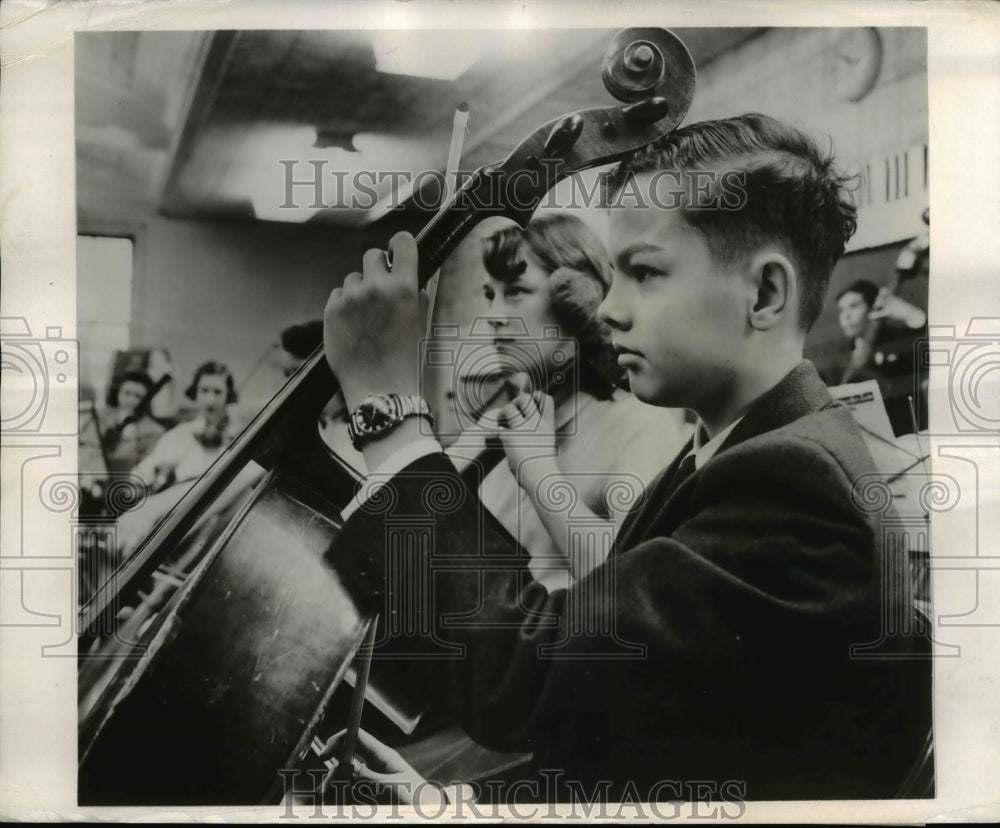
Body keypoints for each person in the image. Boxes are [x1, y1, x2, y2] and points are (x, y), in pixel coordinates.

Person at [320, 113, 931, 802]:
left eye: (643, 273)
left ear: (763, 294)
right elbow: (629, 719)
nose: (606, 310)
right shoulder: (731, 450)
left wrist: (390, 416)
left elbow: (535, 679)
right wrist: (457, 803)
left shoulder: (797, 485)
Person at [464, 214, 688, 586]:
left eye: (516, 291)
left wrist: (540, 474)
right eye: (490, 296)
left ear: (575, 302)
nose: (494, 317)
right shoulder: (497, 424)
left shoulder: (640, 428)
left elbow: (633, 585)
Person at [835, 278, 928, 435]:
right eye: (842, 310)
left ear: (873, 308)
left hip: (907, 434)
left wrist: (910, 314)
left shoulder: (895, 340)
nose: (846, 316)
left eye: (854, 306)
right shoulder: (843, 353)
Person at [133, 360, 240, 493]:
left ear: (228, 396)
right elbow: (139, 477)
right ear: (195, 393)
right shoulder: (177, 435)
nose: (210, 400)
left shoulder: (238, 437)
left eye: (217, 392)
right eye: (204, 390)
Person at [96, 370, 166, 473]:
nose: (130, 399)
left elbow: (147, 467)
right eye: (127, 393)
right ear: (118, 392)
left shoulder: (154, 431)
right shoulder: (101, 416)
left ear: (146, 400)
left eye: (138, 396)